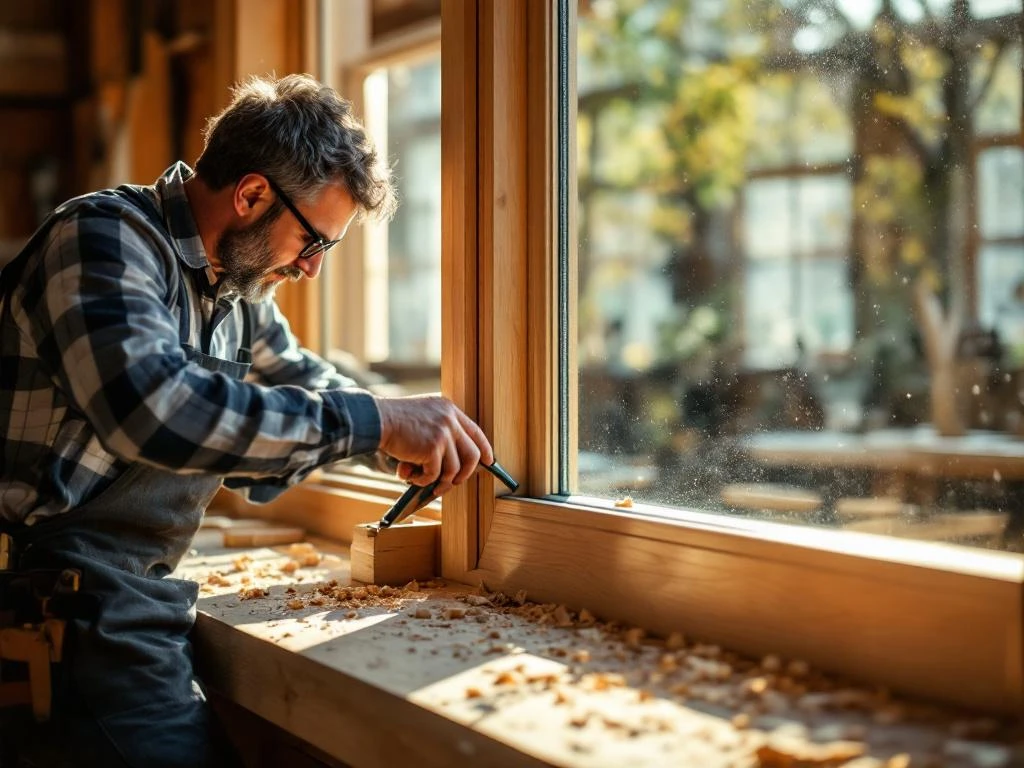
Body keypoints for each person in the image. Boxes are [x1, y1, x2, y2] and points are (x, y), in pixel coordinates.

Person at [0, 73, 493, 767]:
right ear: (253, 194)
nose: (313, 270)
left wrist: (411, 436)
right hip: (55, 602)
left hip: (135, 595)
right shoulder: (103, 240)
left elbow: (301, 378)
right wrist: (376, 422)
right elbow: (155, 411)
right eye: (314, 242)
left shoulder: (231, 286)